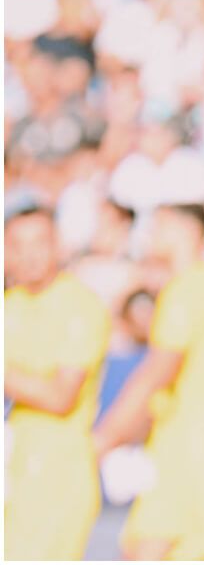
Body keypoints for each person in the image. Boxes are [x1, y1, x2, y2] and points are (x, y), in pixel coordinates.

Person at [93, 204, 204, 560]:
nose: (150, 234)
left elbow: (156, 373)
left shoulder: (184, 291)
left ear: (187, 232)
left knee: (144, 550)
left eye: (160, 225)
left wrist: (103, 439)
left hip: (189, 447)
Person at [4, 206, 112, 559]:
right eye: (17, 244)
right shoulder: (11, 304)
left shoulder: (80, 306)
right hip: (15, 467)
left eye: (39, 242)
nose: (29, 254)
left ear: (58, 246)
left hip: (57, 473)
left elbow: (60, 396)